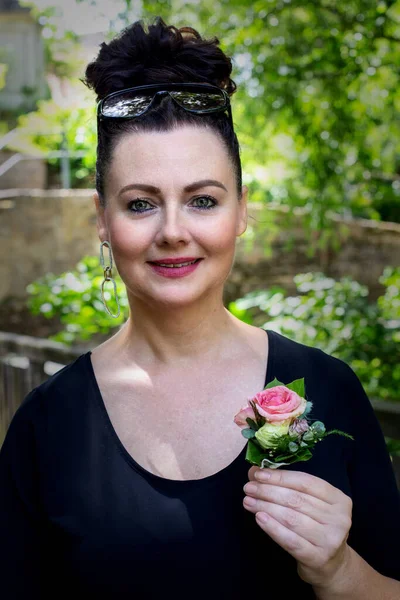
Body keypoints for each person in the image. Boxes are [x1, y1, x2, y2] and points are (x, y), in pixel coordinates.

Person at [1, 16, 400, 599]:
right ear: (102, 220)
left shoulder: (327, 387)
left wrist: (339, 570)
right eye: (140, 205)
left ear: (241, 210)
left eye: (203, 200)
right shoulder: (47, 425)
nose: (172, 231)